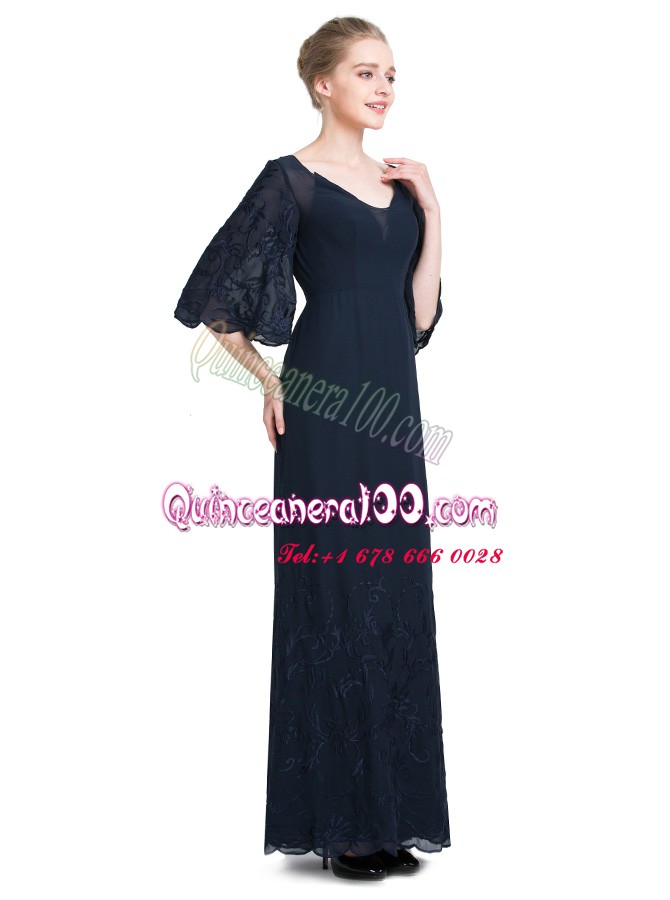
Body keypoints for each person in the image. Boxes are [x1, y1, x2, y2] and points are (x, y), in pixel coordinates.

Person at [173, 15, 450, 881]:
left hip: (392, 410)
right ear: (323, 83)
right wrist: (268, 381)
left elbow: (420, 319)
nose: (384, 87)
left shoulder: (402, 186)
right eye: (366, 72)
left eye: (391, 74)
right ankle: (342, 826)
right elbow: (215, 301)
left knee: (394, 595)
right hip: (323, 406)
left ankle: (394, 817)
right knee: (332, 596)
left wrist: (435, 209)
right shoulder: (288, 181)